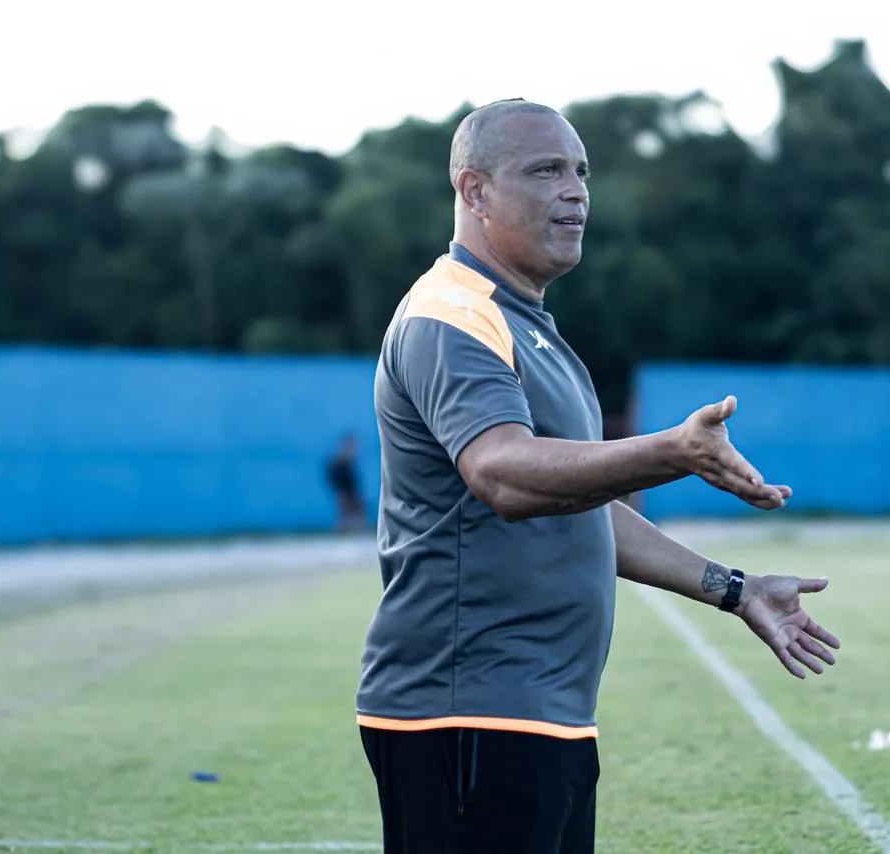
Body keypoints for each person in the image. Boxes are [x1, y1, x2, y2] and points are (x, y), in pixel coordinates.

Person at [356, 98, 840, 854]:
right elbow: (504, 476)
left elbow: (578, 505)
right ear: (474, 191)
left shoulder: (529, 325)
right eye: (546, 170)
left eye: (582, 171)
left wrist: (734, 590)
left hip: (537, 710)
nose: (576, 191)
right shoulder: (451, 314)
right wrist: (670, 451)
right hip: (467, 711)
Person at [325, 432, 366, 532]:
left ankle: (357, 531)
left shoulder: (350, 462)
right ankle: (344, 531)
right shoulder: (339, 463)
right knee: (345, 512)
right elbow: (333, 478)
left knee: (357, 512)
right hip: (344, 492)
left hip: (351, 492)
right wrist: (340, 492)